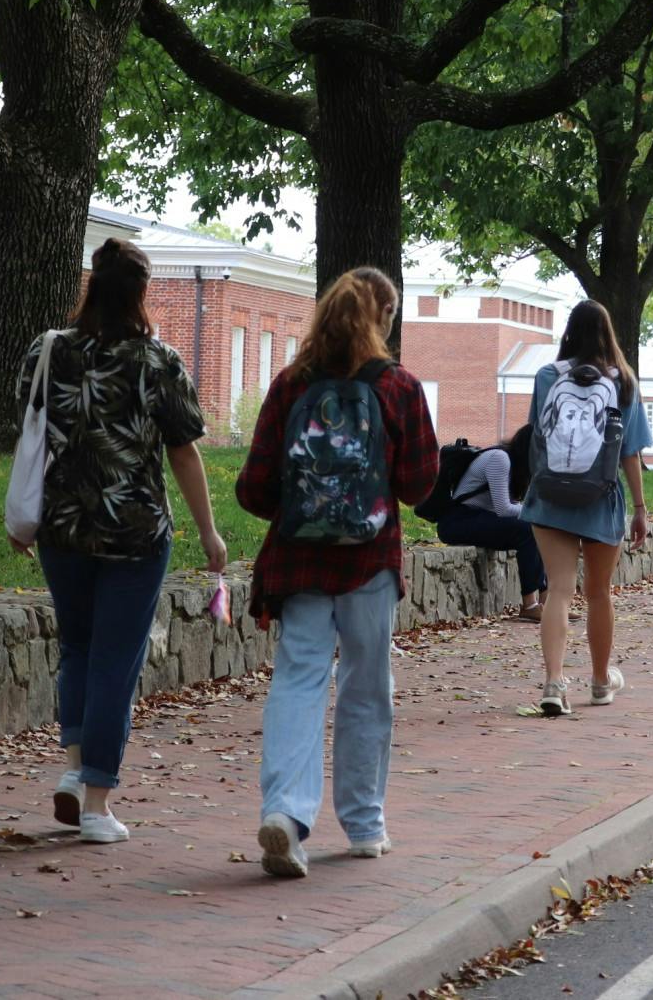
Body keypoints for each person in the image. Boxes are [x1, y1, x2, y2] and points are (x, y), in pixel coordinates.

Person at [11, 238, 228, 845]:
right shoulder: (158, 361)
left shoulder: (48, 350)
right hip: (135, 532)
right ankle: (97, 805)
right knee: (114, 662)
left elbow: (28, 425)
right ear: (140, 292)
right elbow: (183, 451)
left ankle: (77, 770)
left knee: (78, 650)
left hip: (62, 526)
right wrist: (209, 531)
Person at [239, 267, 438, 879]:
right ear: (383, 319)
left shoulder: (290, 385)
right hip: (370, 562)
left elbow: (253, 489)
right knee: (365, 684)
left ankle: (286, 815)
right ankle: (364, 823)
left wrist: (305, 506)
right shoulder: (398, 388)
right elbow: (418, 484)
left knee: (298, 681)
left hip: (299, 562)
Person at [522, 300, 650, 717]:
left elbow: (537, 434)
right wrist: (640, 508)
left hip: (550, 497)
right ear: (608, 333)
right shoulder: (624, 383)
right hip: (601, 498)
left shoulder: (546, 376)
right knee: (598, 593)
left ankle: (554, 683)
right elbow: (630, 452)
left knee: (558, 589)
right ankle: (598, 682)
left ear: (568, 332)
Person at [435, 425, 547, 620]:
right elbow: (504, 509)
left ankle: (549, 603)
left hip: (477, 518)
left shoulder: (517, 467)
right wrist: (538, 512)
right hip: (457, 521)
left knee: (538, 529)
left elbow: (510, 508)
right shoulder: (500, 459)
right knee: (528, 528)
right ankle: (530, 605)